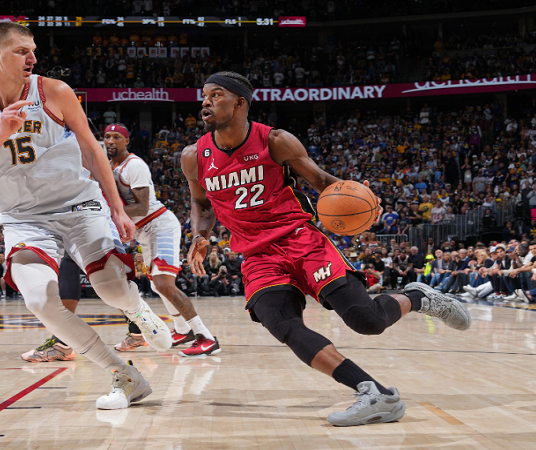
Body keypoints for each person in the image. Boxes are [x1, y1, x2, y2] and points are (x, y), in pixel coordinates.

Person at [181, 71, 472, 427]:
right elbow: (202, 204)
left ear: (240, 102)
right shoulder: (194, 156)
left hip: (301, 241)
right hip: (258, 256)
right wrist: (199, 236)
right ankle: (374, 393)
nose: (205, 101)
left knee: (366, 321)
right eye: (204, 95)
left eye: (216, 95)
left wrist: (363, 197)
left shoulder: (275, 141)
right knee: (282, 325)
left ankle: (419, 297)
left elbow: (321, 181)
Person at [0, 22, 170, 409]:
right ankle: (124, 375)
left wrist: (118, 208)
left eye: (33, 50)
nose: (32, 58)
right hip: (23, 217)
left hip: (78, 204)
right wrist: (1, 131)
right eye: (21, 51)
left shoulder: (54, 91)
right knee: (39, 299)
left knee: (109, 287)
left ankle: (136, 308)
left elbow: (93, 150)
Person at [104, 123, 219, 356]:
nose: (111, 141)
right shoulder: (109, 167)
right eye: (107, 136)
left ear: (127, 141)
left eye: (116, 136)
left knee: (164, 283)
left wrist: (109, 214)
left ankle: (206, 337)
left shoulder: (134, 165)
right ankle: (182, 330)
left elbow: (142, 207)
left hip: (159, 225)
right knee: (157, 286)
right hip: (143, 231)